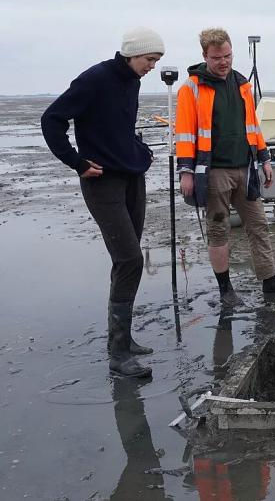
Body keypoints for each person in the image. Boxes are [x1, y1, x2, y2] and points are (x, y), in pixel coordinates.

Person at [41, 27, 165, 378]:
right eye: (149, 59)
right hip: (101, 181)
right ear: (131, 53)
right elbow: (52, 119)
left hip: (131, 177)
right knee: (130, 259)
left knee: (126, 259)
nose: (152, 67)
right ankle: (118, 355)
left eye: (156, 61)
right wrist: (76, 162)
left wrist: (140, 151)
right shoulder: (94, 79)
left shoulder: (132, 81)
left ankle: (123, 339)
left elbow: (121, 128)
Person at [176, 28, 275, 307]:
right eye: (217, 57)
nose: (224, 62)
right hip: (213, 171)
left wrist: (265, 159)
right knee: (219, 230)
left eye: (228, 55)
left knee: (259, 225)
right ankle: (225, 289)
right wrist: (186, 173)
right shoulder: (190, 88)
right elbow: (184, 134)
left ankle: (270, 281)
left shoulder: (242, 84)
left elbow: (253, 126)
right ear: (205, 56)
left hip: (246, 169)